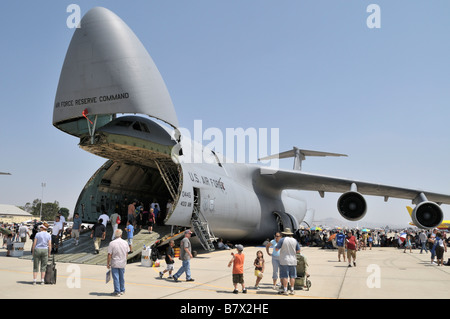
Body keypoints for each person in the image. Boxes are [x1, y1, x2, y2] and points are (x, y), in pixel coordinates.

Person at [275, 228, 301, 295]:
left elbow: (277, 249)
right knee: (292, 276)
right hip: (293, 260)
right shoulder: (295, 240)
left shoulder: (282, 240)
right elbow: (298, 251)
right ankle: (292, 290)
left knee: (285, 276)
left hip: (284, 260)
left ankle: (285, 289)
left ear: (284, 234)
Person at [107, 229, 130, 296]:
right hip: (122, 262)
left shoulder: (112, 243)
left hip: (115, 262)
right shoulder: (125, 242)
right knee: (121, 277)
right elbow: (127, 253)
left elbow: (109, 254)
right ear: (121, 235)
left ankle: (117, 291)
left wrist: (108, 263)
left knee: (116, 277)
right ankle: (122, 290)